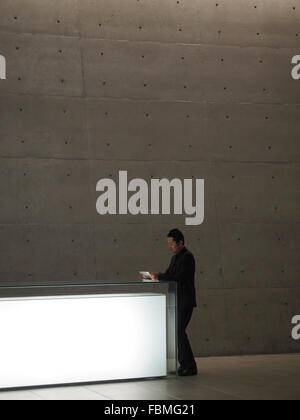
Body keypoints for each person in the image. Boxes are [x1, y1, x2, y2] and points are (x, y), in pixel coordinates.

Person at [150, 229, 198, 376]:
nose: (170, 246)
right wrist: (157, 276)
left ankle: (190, 366)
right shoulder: (175, 258)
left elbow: (178, 276)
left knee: (179, 331)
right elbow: (169, 273)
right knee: (178, 332)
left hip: (185, 300)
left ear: (180, 243)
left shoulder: (188, 257)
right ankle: (184, 365)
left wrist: (160, 276)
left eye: (172, 243)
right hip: (177, 299)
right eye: (169, 243)